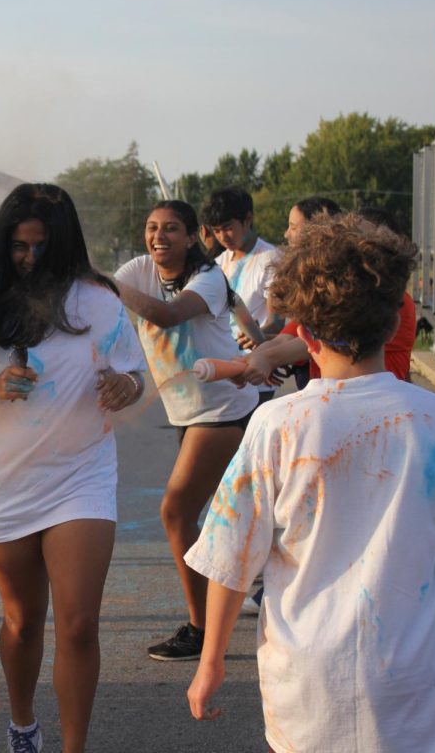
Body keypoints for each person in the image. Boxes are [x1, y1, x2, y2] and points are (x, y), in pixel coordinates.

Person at [185, 215, 435, 753]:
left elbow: (230, 555)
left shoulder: (278, 424)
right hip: (416, 678)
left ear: (305, 333)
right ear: (392, 326)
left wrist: (211, 660)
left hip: (308, 680)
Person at [0, 183, 147, 753]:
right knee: (24, 622)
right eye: (19, 246)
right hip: (3, 481)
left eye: (40, 246)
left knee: (77, 624)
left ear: (64, 244)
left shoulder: (100, 301)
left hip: (83, 475)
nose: (28, 258)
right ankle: (23, 723)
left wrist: (126, 386)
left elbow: (135, 375)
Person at [112, 200, 259, 661]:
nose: (159, 236)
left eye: (171, 229)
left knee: (177, 513)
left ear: (192, 236)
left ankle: (200, 629)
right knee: (225, 517)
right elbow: (105, 302)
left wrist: (108, 286)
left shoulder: (208, 278)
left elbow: (168, 316)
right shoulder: (140, 269)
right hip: (189, 414)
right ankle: (260, 587)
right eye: (152, 227)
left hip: (221, 412)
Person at [238, 199, 416, 387]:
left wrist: (268, 358)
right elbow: (289, 337)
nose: (287, 234)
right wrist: (248, 360)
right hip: (331, 398)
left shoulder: (390, 299)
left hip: (377, 402)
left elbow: (326, 338)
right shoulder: (335, 292)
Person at [201, 187, 283, 404]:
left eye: (227, 228)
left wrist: (258, 335)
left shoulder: (272, 259)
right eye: (216, 231)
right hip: (222, 371)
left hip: (255, 374)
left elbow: (276, 321)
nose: (222, 237)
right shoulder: (217, 263)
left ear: (248, 219)